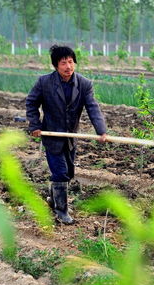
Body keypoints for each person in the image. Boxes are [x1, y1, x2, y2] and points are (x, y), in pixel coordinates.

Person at [26, 45, 107, 225]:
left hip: (70, 138)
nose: (68, 66)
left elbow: (93, 108)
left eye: (71, 62)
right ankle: (61, 211)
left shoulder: (84, 84)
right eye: (63, 63)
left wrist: (101, 130)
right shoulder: (44, 82)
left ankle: (53, 199)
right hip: (52, 136)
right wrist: (34, 124)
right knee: (61, 173)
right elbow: (31, 103)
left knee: (68, 173)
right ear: (56, 66)